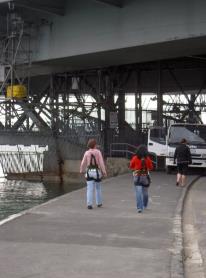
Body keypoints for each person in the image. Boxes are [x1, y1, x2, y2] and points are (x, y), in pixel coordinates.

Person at [80, 138, 107, 209]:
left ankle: (89, 204)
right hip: (97, 172)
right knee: (98, 188)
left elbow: (83, 163)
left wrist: (81, 170)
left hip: (89, 172)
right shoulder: (98, 152)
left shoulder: (86, 153)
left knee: (89, 188)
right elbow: (101, 163)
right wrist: (104, 172)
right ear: (95, 145)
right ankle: (99, 203)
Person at [129, 144, 153, 213]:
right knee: (145, 192)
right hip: (145, 176)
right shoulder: (147, 158)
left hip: (137, 176)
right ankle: (145, 205)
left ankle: (139, 207)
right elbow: (151, 167)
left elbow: (131, 166)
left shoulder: (135, 157)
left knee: (138, 192)